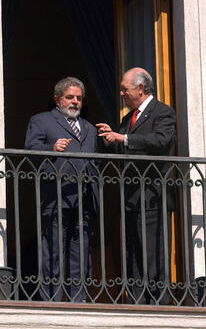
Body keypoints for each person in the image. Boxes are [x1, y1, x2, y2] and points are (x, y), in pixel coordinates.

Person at [96, 67, 176, 305]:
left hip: (153, 196)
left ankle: (158, 304)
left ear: (141, 89)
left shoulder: (163, 112)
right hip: (130, 197)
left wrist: (125, 138)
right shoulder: (126, 118)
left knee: (153, 252)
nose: (121, 93)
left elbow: (160, 141)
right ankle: (138, 301)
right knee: (133, 251)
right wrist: (111, 136)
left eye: (125, 89)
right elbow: (123, 148)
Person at [24, 77, 98, 302]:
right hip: (55, 197)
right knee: (53, 250)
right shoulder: (41, 120)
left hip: (84, 198)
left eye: (78, 98)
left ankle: (79, 299)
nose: (75, 102)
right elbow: (30, 151)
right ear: (57, 100)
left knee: (81, 252)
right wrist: (51, 148)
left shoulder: (89, 128)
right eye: (69, 97)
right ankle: (52, 299)